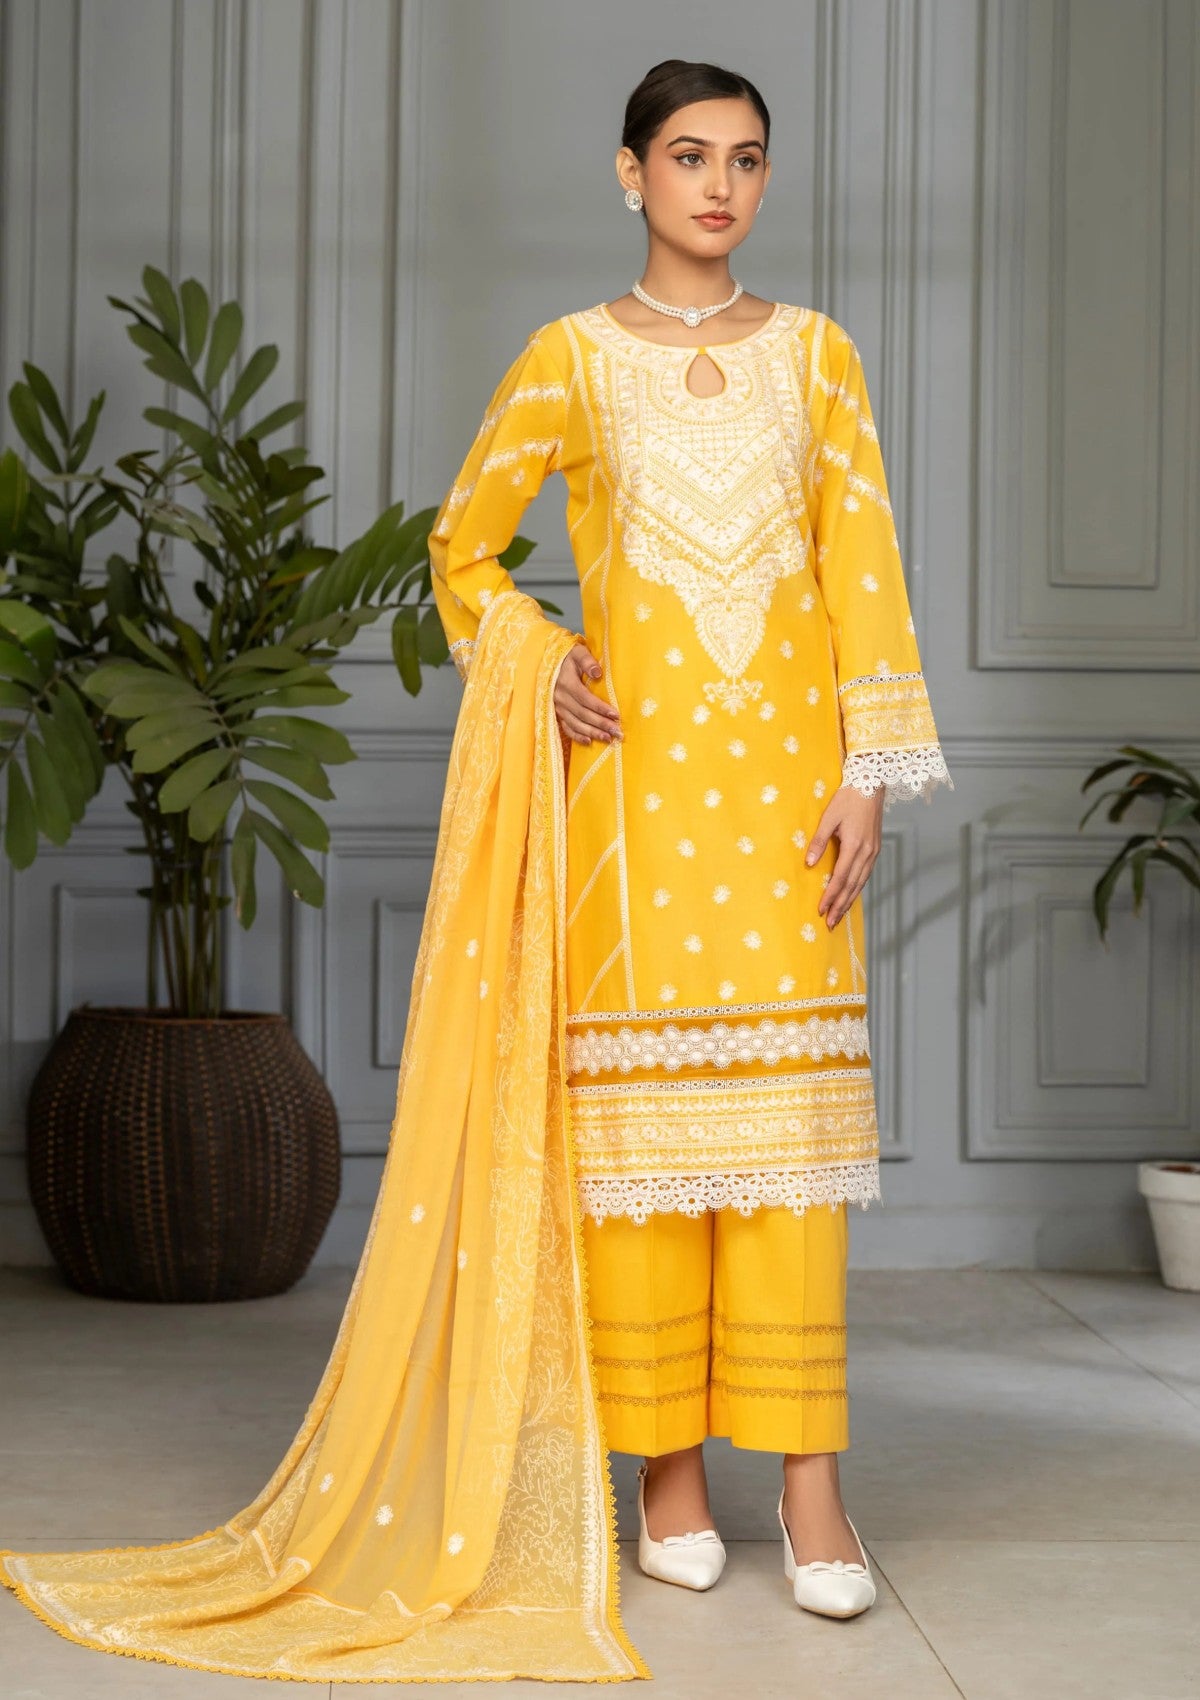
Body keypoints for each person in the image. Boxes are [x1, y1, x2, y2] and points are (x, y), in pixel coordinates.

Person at [428, 56, 952, 1621]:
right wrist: (537, 658)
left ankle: (812, 1489)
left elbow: (863, 566)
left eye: (745, 159)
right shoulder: (570, 360)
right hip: (634, 814)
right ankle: (664, 1473)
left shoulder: (819, 357)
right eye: (688, 155)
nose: (720, 185)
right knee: (647, 1162)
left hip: (792, 808)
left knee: (793, 1150)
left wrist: (870, 773)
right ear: (630, 173)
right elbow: (461, 548)